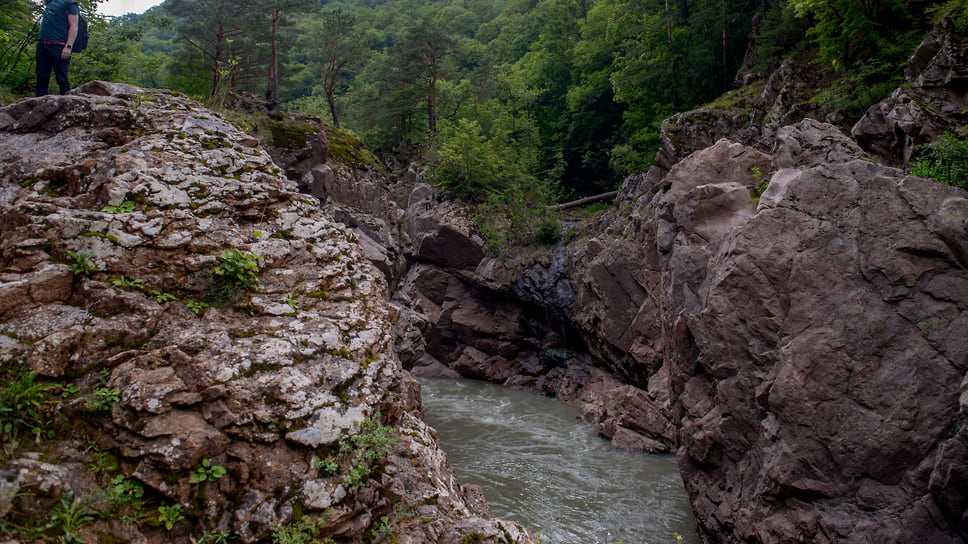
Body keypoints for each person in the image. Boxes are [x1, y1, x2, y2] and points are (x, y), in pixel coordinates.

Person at [36, 0, 79, 96]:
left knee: (62, 78)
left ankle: (67, 105)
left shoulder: (70, 4)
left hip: (59, 46)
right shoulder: (50, 2)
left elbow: (74, 26)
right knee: (41, 78)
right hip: (43, 44)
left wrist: (68, 46)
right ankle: (39, 105)